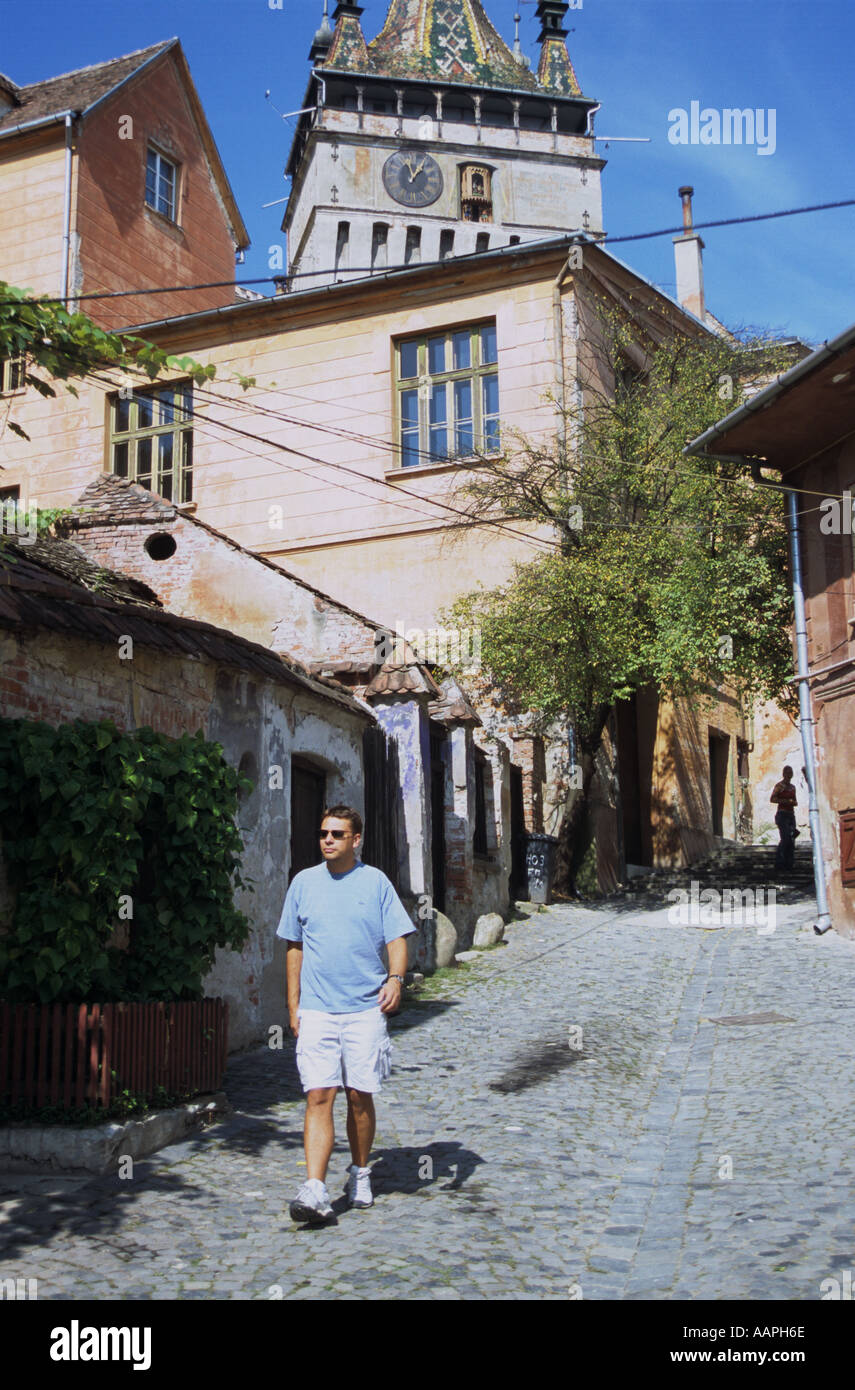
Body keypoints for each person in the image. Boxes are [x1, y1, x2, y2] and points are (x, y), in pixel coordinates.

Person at [278, 804, 415, 1224]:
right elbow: (294, 946)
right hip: (318, 1009)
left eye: (337, 834)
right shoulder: (303, 883)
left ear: (357, 840)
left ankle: (360, 1171)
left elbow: (397, 937)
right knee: (319, 1095)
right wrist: (294, 1004)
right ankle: (315, 1188)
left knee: (359, 1095)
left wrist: (395, 980)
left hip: (363, 1009)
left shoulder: (375, 883)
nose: (328, 840)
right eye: (323, 833)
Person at [770, 766, 798, 870]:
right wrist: (785, 801)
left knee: (791, 839)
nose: (789, 774)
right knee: (785, 838)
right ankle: (780, 862)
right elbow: (772, 799)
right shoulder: (779, 786)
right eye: (787, 772)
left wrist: (793, 802)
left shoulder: (793, 787)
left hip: (791, 814)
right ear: (783, 774)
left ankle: (789, 863)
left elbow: (795, 801)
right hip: (782, 815)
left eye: (791, 772)